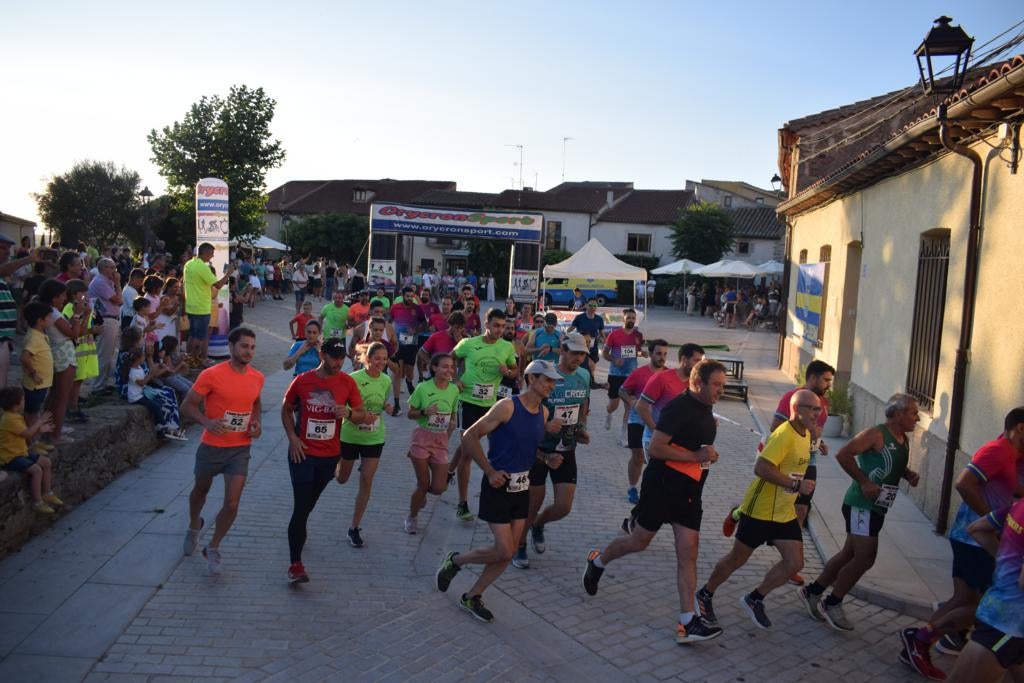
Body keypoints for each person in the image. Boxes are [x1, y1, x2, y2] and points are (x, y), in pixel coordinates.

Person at [582, 360, 729, 644]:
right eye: (717, 385)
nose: (722, 390)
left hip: (689, 493)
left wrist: (706, 456)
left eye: (724, 385)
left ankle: (688, 622)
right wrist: (697, 456)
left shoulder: (705, 407)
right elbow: (656, 448)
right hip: (661, 487)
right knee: (638, 542)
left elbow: (692, 447)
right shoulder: (679, 408)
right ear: (698, 383)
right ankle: (598, 561)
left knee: (688, 554)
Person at [900, 406, 1024, 677]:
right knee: (976, 603)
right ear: (1021, 429)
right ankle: (921, 638)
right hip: (974, 538)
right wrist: (993, 520)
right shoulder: (998, 450)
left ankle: (928, 638)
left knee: (968, 599)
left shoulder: (1013, 455)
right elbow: (963, 483)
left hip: (978, 537)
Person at [435, 359, 560, 622]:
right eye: (547, 380)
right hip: (498, 486)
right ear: (531, 379)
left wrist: (546, 460)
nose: (551, 385)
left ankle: (472, 596)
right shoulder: (507, 407)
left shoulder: (544, 413)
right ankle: (456, 561)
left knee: (509, 550)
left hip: (522, 486)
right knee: (504, 550)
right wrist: (490, 471)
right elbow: (469, 435)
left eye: (553, 381)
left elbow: (526, 448)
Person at [694, 390, 820, 631]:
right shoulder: (783, 435)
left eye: (819, 409)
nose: (818, 413)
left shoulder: (806, 433)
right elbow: (760, 468)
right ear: (798, 410)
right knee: (737, 560)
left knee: (795, 563)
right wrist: (796, 485)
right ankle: (705, 593)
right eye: (813, 409)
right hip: (760, 510)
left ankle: (755, 598)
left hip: (784, 512)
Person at [798, 393, 921, 632]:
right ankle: (832, 603)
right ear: (897, 414)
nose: (917, 418)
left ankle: (812, 592)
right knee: (865, 558)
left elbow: (889, 463)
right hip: (860, 504)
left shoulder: (902, 438)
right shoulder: (876, 434)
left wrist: (907, 474)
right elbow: (843, 454)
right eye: (913, 413)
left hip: (878, 506)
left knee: (848, 555)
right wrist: (864, 482)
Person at [723, 359, 835, 588]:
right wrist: (798, 441)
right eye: (826, 380)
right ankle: (739, 513)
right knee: (778, 498)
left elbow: (814, 430)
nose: (828, 385)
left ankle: (790, 562)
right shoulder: (792, 399)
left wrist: (818, 442)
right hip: (786, 458)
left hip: (809, 457)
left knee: (801, 507)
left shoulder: (824, 402)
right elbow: (776, 428)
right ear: (812, 377)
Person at [181, 327, 264, 575]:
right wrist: (207, 422)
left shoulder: (257, 377)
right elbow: (187, 406)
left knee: (232, 503)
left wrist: (256, 424)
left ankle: (214, 545)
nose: (248, 351)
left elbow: (256, 403)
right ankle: (195, 524)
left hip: (239, 448)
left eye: (252, 347)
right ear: (231, 347)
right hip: (212, 447)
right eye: (244, 346)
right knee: (200, 491)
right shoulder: (211, 375)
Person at [281, 337, 364, 583]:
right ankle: (295, 564)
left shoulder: (347, 383)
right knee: (301, 507)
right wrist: (292, 438)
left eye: (341, 358)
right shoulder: (303, 381)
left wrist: (349, 413)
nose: (339, 362)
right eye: (334, 357)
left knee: (307, 506)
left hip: (330, 456)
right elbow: (286, 409)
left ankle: (298, 533)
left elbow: (360, 414)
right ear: (322, 356)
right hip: (302, 453)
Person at [513, 332, 590, 569]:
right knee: (533, 502)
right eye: (574, 352)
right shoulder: (547, 377)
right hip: (539, 449)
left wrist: (580, 429)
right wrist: (544, 426)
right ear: (562, 350)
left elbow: (582, 404)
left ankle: (538, 525)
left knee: (564, 506)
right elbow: (528, 409)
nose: (578, 358)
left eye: (582, 354)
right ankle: (520, 544)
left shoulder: (584, 375)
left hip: (566, 448)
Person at [448, 308, 520, 522]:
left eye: (503, 326)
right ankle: (462, 503)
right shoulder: (468, 344)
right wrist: (454, 380)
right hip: (468, 402)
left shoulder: (507, 347)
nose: (500, 330)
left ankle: (450, 471)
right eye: (496, 325)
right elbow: (449, 360)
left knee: (473, 445)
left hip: (491, 405)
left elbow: (515, 370)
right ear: (486, 324)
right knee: (469, 453)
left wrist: (508, 373)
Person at [945, 497, 1024, 683]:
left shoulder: (1018, 506)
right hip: (1006, 625)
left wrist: (1006, 565)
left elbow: (977, 529)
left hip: (1000, 618)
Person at [336, 341, 392, 548]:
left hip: (374, 436)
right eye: (377, 358)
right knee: (342, 479)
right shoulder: (353, 379)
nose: (381, 363)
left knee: (367, 479)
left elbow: (382, 401)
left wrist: (386, 406)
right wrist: (357, 417)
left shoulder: (386, 380)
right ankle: (338, 464)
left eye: (385, 359)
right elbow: (342, 406)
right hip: (350, 435)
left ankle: (354, 527)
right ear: (367, 359)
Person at [405, 352, 460, 534]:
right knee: (423, 484)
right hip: (422, 438)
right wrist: (424, 412)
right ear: (434, 367)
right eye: (445, 366)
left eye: (452, 367)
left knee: (437, 488)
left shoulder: (454, 390)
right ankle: (412, 517)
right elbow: (410, 413)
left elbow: (453, 415)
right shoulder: (422, 387)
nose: (449, 370)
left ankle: (421, 496)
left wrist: (451, 426)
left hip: (441, 440)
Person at [618, 339, 669, 505]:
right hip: (637, 420)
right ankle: (633, 488)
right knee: (638, 456)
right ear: (651, 354)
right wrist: (632, 402)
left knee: (656, 458)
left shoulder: (669, 375)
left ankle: (652, 490)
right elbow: (622, 390)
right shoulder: (639, 373)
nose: (662, 357)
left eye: (665, 354)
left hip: (658, 423)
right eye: (659, 353)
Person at [0, 387, 60, 514]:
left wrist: (39, 429)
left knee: (46, 462)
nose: (24, 402)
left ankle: (48, 492)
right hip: (10, 457)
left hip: (21, 453)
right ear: (16, 404)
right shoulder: (9, 419)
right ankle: (38, 502)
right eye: (23, 400)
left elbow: (25, 433)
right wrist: (40, 422)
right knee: (36, 470)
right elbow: (27, 434)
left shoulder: (15, 416)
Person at [183, 243, 233, 364]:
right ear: (205, 253)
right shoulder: (202, 267)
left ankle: (189, 359)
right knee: (201, 337)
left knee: (192, 335)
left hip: (191, 306)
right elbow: (218, 285)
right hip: (201, 307)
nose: (212, 256)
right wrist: (228, 274)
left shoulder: (188, 264)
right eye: (211, 254)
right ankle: (196, 360)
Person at [601, 308, 645, 437]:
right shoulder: (614, 334)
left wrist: (643, 353)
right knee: (613, 404)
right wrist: (614, 360)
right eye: (628, 318)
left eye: (633, 318)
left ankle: (623, 435)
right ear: (623, 319)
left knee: (629, 406)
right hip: (615, 374)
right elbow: (604, 353)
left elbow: (637, 351)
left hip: (632, 376)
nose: (631, 320)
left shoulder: (638, 336)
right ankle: (608, 413)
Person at [86, 257, 122, 394]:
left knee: (108, 354)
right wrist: (118, 283)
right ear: (104, 268)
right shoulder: (100, 281)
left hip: (110, 319)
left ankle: (103, 383)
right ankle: (98, 386)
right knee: (103, 354)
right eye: (112, 267)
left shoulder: (106, 281)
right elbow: (118, 300)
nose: (115, 270)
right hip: (105, 319)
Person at [389, 286, 426, 412]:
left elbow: (424, 324)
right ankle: (397, 404)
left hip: (412, 344)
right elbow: (388, 321)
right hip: (398, 345)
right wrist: (390, 335)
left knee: (409, 374)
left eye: (412, 296)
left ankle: (412, 392)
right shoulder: (395, 307)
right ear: (402, 295)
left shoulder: (417, 309)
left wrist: (415, 330)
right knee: (397, 373)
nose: (410, 298)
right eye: (407, 296)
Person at [417, 312, 465, 380]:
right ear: (450, 324)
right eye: (456, 327)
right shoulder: (436, 336)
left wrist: (460, 343)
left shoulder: (464, 340)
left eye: (460, 328)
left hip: (453, 379)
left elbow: (466, 360)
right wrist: (431, 363)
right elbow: (421, 352)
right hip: (436, 377)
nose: (458, 330)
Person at [568, 299, 606, 387]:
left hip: (593, 345)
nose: (592, 308)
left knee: (592, 365)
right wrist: (567, 337)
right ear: (586, 306)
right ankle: (577, 381)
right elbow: (570, 330)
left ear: (596, 307)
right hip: (580, 345)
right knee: (580, 364)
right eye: (590, 305)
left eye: (594, 306)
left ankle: (591, 381)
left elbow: (602, 333)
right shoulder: (579, 317)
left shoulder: (599, 319)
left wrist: (605, 341)